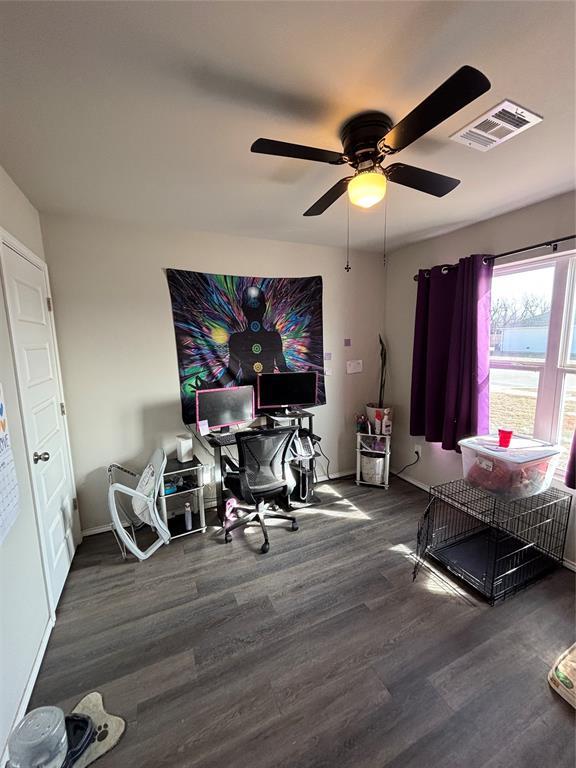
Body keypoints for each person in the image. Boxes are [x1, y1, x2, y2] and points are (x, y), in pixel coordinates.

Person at [227, 286, 289, 384]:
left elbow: (282, 368)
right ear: (243, 308)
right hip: (248, 394)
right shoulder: (236, 339)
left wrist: (303, 378)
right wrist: (210, 385)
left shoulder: (274, 337)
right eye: (250, 305)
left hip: (268, 393)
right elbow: (231, 372)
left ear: (264, 307)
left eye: (256, 304)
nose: (253, 309)